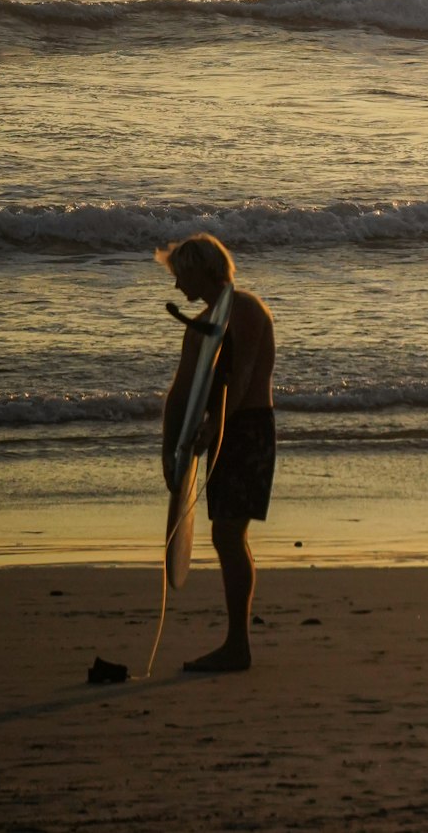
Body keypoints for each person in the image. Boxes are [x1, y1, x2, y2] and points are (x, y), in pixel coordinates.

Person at [156, 233, 276, 673]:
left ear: (202, 269)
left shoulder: (245, 309)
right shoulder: (203, 322)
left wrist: (217, 426)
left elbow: (238, 379)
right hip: (216, 433)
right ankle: (236, 643)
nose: (176, 286)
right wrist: (170, 452)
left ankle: (237, 645)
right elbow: (181, 391)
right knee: (224, 535)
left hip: (247, 431)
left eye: (180, 275)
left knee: (229, 535)